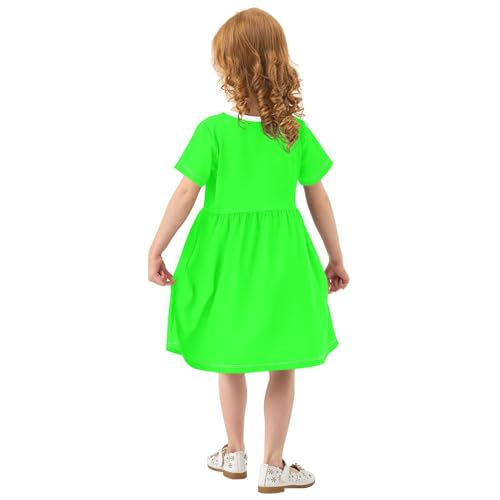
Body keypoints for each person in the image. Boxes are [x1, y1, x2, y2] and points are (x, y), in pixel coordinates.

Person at [148, 7, 349, 494]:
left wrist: (157, 248)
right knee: (283, 361)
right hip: (282, 260)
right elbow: (318, 197)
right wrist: (336, 257)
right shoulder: (294, 133)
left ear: (231, 69)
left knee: (230, 357)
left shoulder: (214, 132)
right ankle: (273, 465)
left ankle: (234, 451)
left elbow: (185, 193)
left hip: (225, 260)